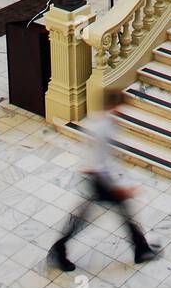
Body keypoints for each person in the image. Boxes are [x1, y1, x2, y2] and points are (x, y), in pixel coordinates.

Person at [48, 87, 160, 271]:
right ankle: (59, 250)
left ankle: (141, 248)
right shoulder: (104, 127)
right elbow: (103, 162)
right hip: (99, 178)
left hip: (97, 176)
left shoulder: (102, 121)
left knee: (110, 213)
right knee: (89, 217)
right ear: (115, 105)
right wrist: (119, 187)